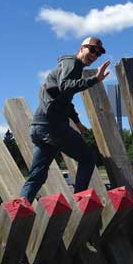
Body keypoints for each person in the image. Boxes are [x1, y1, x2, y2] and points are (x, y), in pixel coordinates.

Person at [20, 37, 110, 203]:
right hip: (53, 127)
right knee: (88, 158)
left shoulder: (67, 66)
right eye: (92, 50)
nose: (95, 55)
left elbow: (64, 99)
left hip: (39, 128)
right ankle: (79, 204)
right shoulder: (73, 64)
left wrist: (77, 123)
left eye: (98, 54)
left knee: (37, 176)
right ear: (82, 48)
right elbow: (66, 86)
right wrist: (94, 79)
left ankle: (20, 211)